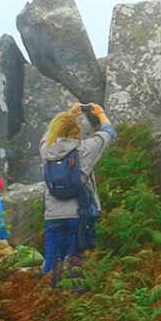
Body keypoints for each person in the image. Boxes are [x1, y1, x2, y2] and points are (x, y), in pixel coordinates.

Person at [40, 102, 116, 287]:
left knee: (52, 261)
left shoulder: (45, 150)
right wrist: (100, 112)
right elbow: (108, 132)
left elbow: (48, 135)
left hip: (53, 216)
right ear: (76, 130)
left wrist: (70, 113)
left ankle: (49, 296)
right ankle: (75, 298)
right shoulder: (84, 150)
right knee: (77, 262)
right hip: (79, 215)